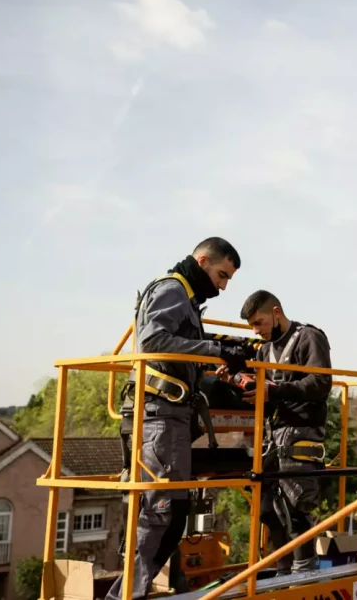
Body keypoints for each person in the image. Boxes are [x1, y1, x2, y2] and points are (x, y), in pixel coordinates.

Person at [108, 237, 251, 600]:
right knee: (163, 513)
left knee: (169, 513)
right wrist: (217, 349)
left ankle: (128, 592)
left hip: (169, 414)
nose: (223, 285)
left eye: (228, 279)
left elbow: (181, 350)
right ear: (202, 261)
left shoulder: (186, 298)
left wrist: (223, 357)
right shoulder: (173, 289)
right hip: (159, 414)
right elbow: (154, 341)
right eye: (221, 275)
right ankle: (124, 595)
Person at [218, 289, 333, 576]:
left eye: (260, 323)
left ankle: (303, 572)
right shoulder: (264, 350)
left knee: (295, 507)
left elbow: (320, 383)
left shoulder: (309, 337)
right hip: (274, 433)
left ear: (276, 313)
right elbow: (264, 391)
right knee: (268, 507)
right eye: (253, 326)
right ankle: (284, 571)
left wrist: (275, 390)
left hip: (303, 430)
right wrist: (236, 381)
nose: (257, 331)